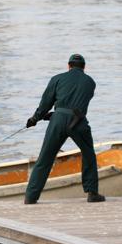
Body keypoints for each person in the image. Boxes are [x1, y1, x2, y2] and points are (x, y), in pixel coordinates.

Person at [24, 54, 105, 204]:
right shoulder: (90, 82)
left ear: (68, 66)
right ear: (84, 67)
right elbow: (79, 102)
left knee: (45, 158)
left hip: (58, 120)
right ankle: (92, 193)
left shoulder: (57, 79)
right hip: (78, 121)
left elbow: (46, 102)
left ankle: (31, 196)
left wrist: (35, 118)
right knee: (88, 155)